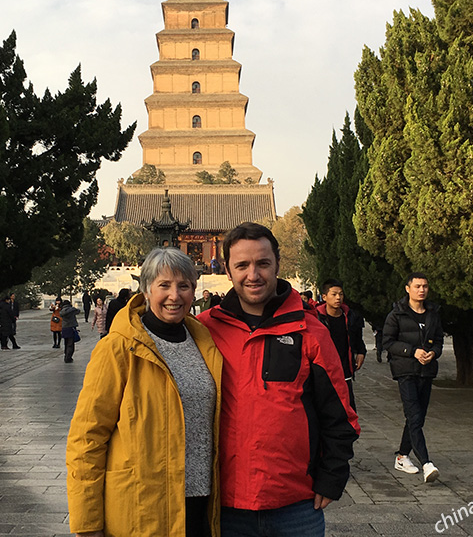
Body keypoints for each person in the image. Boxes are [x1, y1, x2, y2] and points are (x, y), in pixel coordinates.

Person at [198, 222, 360, 537]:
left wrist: (332, 478)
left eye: (263, 263)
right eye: (242, 265)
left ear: (277, 265)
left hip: (295, 506)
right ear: (228, 272)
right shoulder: (205, 330)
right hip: (224, 504)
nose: (253, 274)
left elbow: (340, 414)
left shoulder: (310, 331)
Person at [66, 247, 222, 537]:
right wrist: (87, 523)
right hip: (143, 509)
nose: (174, 296)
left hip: (203, 506)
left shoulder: (205, 344)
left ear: (194, 290)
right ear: (146, 290)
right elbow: (87, 438)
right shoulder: (118, 348)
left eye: (183, 286)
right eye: (164, 285)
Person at [382, 273, 444, 484]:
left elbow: (438, 341)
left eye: (425, 286)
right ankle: (427, 463)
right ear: (408, 289)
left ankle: (401, 456)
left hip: (426, 371)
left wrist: (433, 353)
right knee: (414, 415)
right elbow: (388, 342)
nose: (422, 290)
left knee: (417, 418)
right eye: (417, 286)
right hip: (405, 371)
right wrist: (412, 351)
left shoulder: (433, 314)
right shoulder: (396, 314)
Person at [315, 280, 367, 410]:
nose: (338, 298)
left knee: (349, 410)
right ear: (324, 297)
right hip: (323, 374)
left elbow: (357, 338)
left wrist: (361, 352)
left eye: (341, 294)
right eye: (334, 294)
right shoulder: (316, 318)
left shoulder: (350, 316)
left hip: (345, 371)